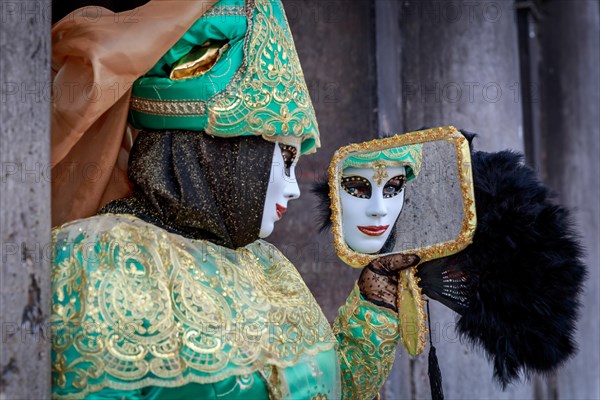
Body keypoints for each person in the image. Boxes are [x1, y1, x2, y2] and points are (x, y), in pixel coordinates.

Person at [50, 0, 417, 398]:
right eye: (284, 159)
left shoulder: (268, 264)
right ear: (218, 156)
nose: (294, 188)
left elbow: (330, 390)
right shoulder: (93, 261)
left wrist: (373, 304)